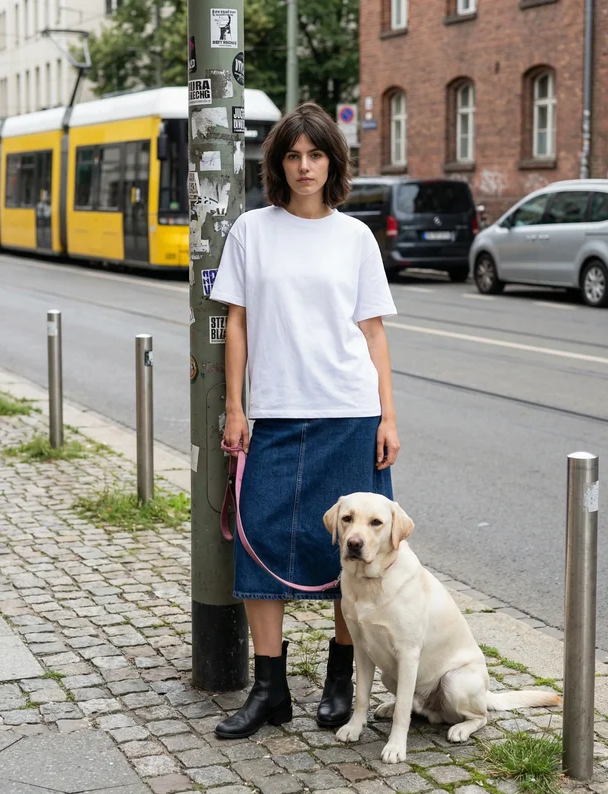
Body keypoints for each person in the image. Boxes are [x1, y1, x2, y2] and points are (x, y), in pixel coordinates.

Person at [209, 102, 400, 740]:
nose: (304, 166)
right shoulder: (250, 232)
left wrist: (387, 418)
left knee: (356, 551)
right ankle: (270, 690)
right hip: (275, 413)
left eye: (315, 155)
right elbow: (236, 322)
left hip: (349, 412)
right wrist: (236, 407)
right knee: (259, 544)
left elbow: (372, 334)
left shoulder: (354, 238)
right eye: (292, 155)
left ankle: (341, 681)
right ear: (278, 163)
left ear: (332, 162)